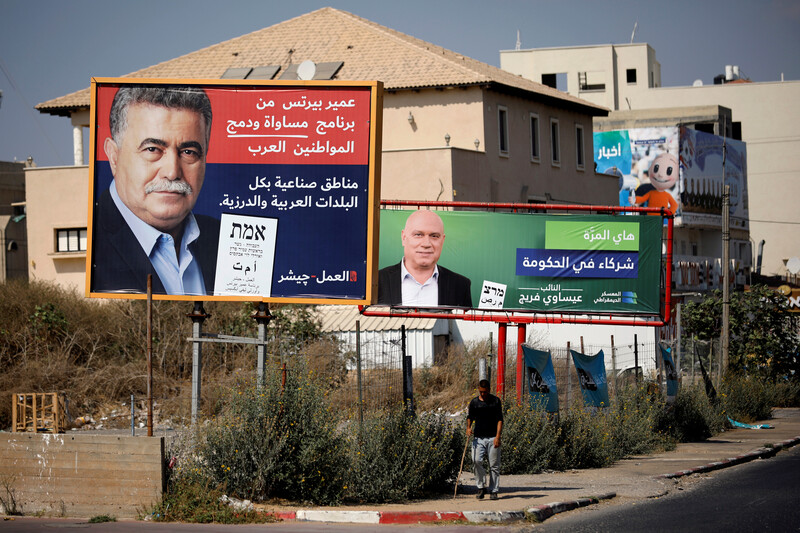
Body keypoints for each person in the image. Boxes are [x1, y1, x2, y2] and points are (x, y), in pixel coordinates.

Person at [92, 85, 219, 295]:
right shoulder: (92, 243)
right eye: (152, 150)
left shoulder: (224, 241)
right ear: (114, 157)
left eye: (188, 152)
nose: (172, 172)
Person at [377, 210, 472, 307]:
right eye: (418, 235)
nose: (426, 244)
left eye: (434, 236)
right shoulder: (376, 282)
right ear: (404, 237)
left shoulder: (460, 286)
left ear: (442, 241)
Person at [467, 379, 503, 500]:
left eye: (485, 392)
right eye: (481, 392)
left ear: (489, 390)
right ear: (479, 390)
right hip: (478, 438)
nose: (483, 394)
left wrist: (498, 437)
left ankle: (494, 490)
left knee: (494, 465)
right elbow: (470, 417)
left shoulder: (495, 401)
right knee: (476, 461)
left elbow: (500, 420)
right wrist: (468, 428)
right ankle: (481, 487)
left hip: (493, 437)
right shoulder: (474, 403)